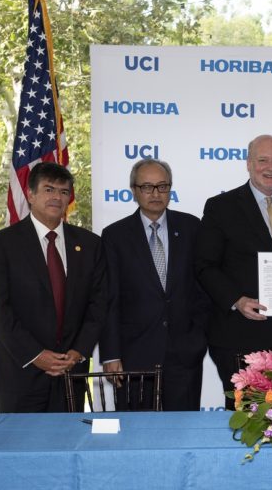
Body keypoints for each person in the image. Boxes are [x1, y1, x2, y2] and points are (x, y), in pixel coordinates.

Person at [195, 134, 272, 402]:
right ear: (249, 164)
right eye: (263, 160)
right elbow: (205, 266)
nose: (271, 167)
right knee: (248, 420)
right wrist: (237, 301)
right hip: (240, 335)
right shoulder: (221, 207)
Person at [0, 162, 107, 412]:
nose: (56, 197)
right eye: (49, 189)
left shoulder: (90, 245)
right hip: (20, 373)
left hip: (71, 373)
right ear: (31, 194)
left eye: (63, 191)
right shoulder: (2, 244)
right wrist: (36, 355)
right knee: (20, 448)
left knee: (67, 447)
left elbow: (99, 303)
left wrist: (78, 351)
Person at [99, 159, 209, 411]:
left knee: (183, 435)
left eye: (162, 186)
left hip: (184, 355)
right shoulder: (115, 235)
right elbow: (110, 298)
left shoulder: (192, 227)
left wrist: (198, 337)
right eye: (147, 187)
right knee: (135, 436)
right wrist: (111, 354)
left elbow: (204, 288)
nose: (155, 193)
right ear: (134, 190)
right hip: (133, 356)